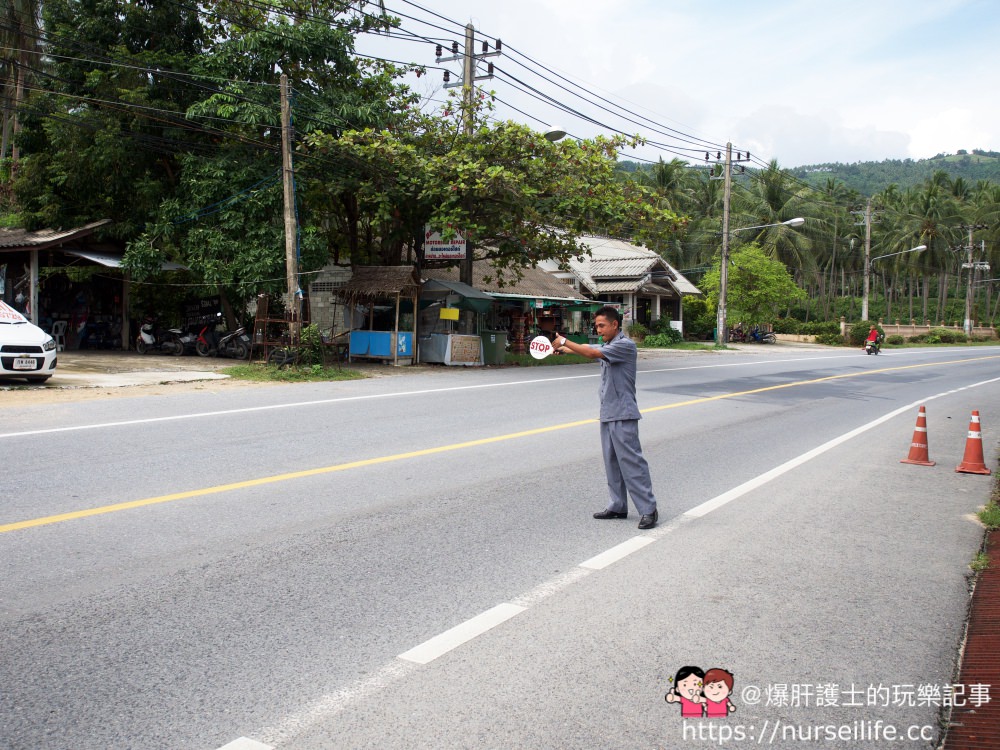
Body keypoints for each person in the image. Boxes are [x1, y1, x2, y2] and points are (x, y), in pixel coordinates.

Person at [553, 305, 658, 529]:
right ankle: (618, 505)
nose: (598, 329)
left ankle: (649, 509)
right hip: (608, 413)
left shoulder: (625, 346)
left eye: (601, 325)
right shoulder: (608, 346)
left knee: (632, 463)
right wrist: (563, 349)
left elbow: (591, 352)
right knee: (612, 463)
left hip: (623, 414)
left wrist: (563, 341)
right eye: (596, 326)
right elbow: (586, 348)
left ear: (614, 324)